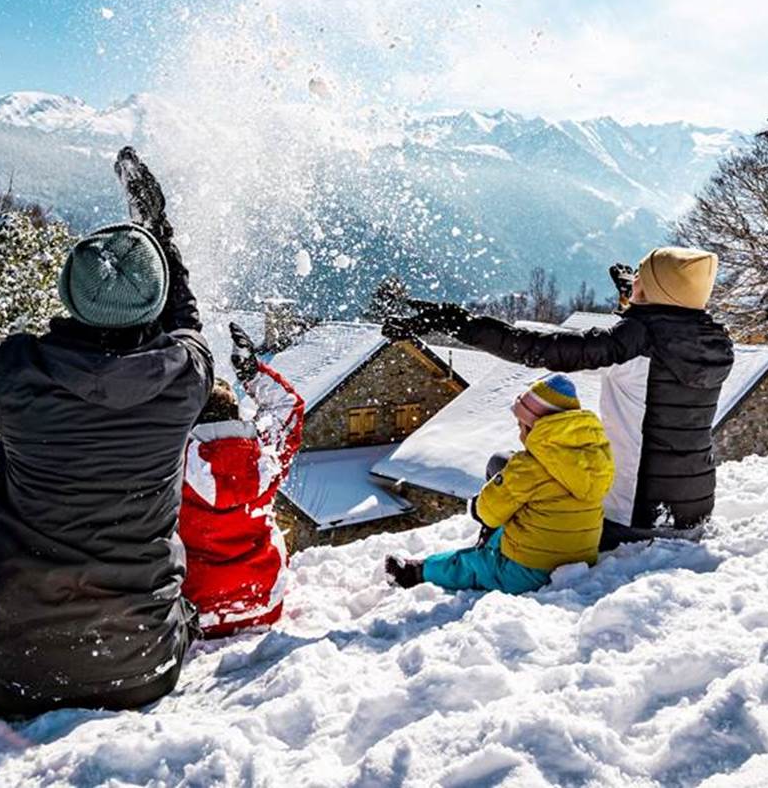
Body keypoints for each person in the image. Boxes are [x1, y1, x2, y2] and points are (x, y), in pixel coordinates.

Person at [0, 146, 213, 718]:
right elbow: (185, 319)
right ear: (156, 297)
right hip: (148, 665)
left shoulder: (18, 375)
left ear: (68, 294)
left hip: (19, 672)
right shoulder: (186, 377)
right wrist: (158, 231)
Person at [383, 247, 733, 549]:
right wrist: (637, 298)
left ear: (654, 290)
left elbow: (543, 349)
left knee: (505, 467)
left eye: (643, 277)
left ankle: (499, 558)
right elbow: (666, 323)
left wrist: (459, 323)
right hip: (692, 513)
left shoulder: (638, 342)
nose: (635, 280)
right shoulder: (713, 342)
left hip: (630, 519)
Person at [385, 374, 613, 593]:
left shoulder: (527, 467)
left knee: (471, 564)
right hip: (581, 559)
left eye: (521, 424)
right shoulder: (597, 459)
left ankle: (415, 572)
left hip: (529, 571)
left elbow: (488, 513)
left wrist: (477, 504)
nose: (519, 431)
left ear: (535, 426)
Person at [180, 323, 306, 636]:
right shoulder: (266, 452)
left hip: (197, 610)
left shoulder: (173, 461)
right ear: (236, 415)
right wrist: (251, 373)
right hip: (264, 602)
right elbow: (289, 407)